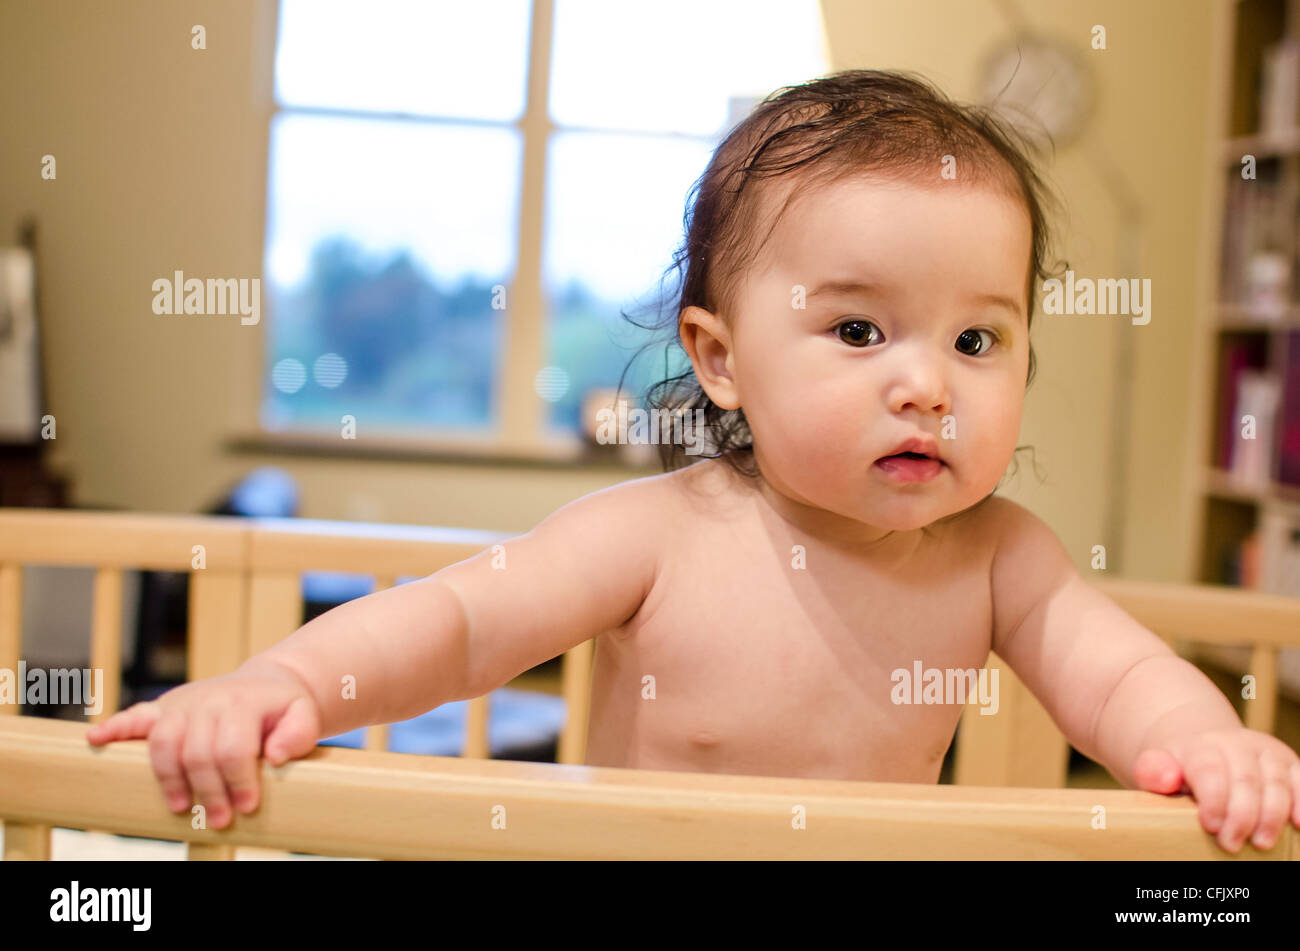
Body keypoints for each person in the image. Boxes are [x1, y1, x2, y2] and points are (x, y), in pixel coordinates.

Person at [89, 69, 1300, 855]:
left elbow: (1121, 680)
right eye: (860, 331)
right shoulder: (654, 537)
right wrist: (284, 691)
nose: (926, 381)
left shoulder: (997, 560)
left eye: (977, 337)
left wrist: (1206, 741)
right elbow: (453, 626)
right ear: (721, 359)